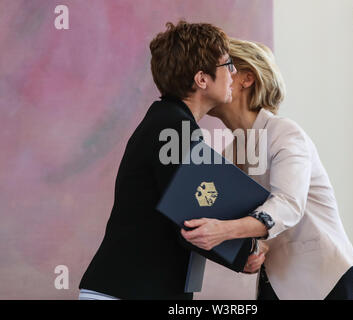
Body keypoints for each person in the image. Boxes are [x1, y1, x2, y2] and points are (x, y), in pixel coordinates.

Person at [78, 22, 267, 300]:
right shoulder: (175, 127)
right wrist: (246, 252)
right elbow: (191, 216)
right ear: (202, 79)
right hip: (127, 291)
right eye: (228, 65)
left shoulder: (168, 120)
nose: (234, 73)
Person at [181, 38, 353, 300]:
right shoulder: (230, 153)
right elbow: (231, 219)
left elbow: (288, 205)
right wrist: (248, 251)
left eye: (225, 68)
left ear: (247, 78)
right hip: (278, 287)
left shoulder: (285, 132)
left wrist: (225, 231)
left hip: (330, 283)